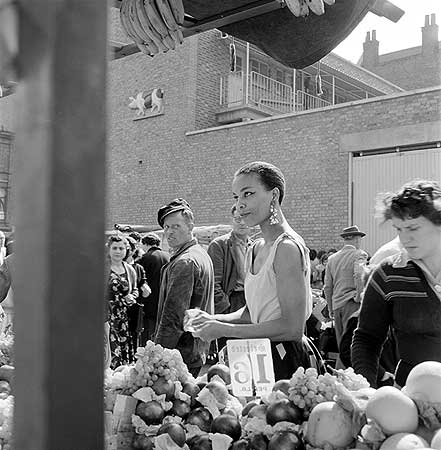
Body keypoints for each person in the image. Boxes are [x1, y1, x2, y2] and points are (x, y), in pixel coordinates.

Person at [190, 161, 313, 380]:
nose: (240, 205)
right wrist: (212, 319)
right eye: (236, 197)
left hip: (286, 362)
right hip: (258, 356)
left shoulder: (285, 248)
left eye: (248, 194)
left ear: (274, 195)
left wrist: (224, 329)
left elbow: (292, 327)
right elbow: (251, 313)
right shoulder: (255, 247)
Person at [352, 180, 441, 387]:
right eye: (399, 229)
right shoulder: (388, 275)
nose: (404, 238)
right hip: (409, 400)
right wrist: (365, 389)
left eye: (413, 228)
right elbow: (367, 338)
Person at [154, 198, 214, 377]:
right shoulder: (199, 254)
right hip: (195, 350)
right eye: (166, 227)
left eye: (176, 226)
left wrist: (156, 355)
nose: (169, 232)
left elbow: (173, 317)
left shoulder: (185, 262)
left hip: (181, 355)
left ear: (190, 226)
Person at [207, 205, 252, 356]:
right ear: (232, 220)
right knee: (231, 354)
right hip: (233, 302)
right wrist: (226, 307)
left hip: (252, 303)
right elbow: (213, 284)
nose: (242, 222)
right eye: (238, 218)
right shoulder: (219, 245)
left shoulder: (255, 246)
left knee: (250, 352)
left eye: (245, 217)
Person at [323, 225, 368, 367]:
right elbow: (359, 274)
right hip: (352, 304)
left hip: (337, 306)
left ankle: (341, 379)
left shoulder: (332, 259)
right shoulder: (360, 254)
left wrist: (330, 308)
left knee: (342, 346)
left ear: (345, 239)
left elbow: (327, 286)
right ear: (356, 239)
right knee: (354, 346)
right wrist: (360, 297)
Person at [106, 234, 139, 368]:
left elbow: (135, 289)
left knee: (123, 354)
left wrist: (132, 296)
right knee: (109, 352)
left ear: (126, 250)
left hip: (124, 319)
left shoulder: (130, 269)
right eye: (115, 248)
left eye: (121, 248)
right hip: (106, 318)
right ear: (109, 249)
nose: (118, 251)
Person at [138, 232, 170, 345]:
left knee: (149, 333)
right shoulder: (169, 256)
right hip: (165, 299)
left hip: (149, 301)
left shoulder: (145, 258)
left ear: (145, 244)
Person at [124, 236, 151, 353]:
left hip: (129, 313)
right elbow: (146, 292)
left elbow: (146, 291)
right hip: (127, 313)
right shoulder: (138, 268)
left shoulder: (137, 268)